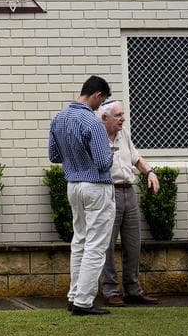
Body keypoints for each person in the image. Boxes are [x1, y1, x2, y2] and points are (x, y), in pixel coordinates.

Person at [48, 75, 115, 316]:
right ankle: (83, 302)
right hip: (95, 186)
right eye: (103, 100)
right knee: (96, 245)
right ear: (97, 95)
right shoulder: (92, 122)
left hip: (73, 185)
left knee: (80, 242)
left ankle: (74, 295)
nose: (101, 105)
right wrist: (112, 153)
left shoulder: (59, 119)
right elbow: (102, 162)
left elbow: (54, 157)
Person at [97, 100, 160, 306]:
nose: (123, 118)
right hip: (109, 192)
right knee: (107, 246)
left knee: (133, 244)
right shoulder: (97, 137)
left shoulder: (124, 135)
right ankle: (110, 291)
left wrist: (150, 172)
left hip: (129, 192)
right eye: (118, 115)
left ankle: (133, 290)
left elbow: (136, 158)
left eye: (122, 114)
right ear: (105, 118)